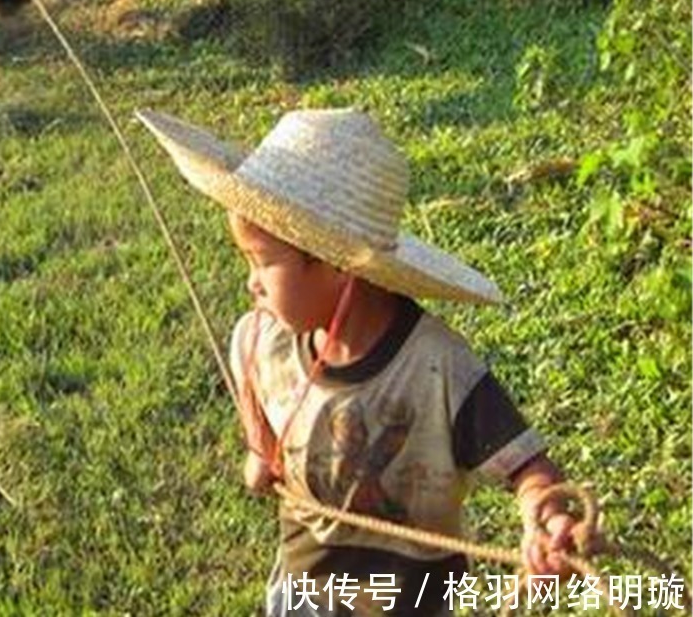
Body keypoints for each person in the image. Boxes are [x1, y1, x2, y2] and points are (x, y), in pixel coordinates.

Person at [135, 107, 587, 616]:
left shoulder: (437, 372)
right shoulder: (262, 343)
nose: (251, 283)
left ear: (335, 264)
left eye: (262, 262)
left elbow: (530, 469)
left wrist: (545, 516)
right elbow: (264, 443)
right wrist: (261, 460)